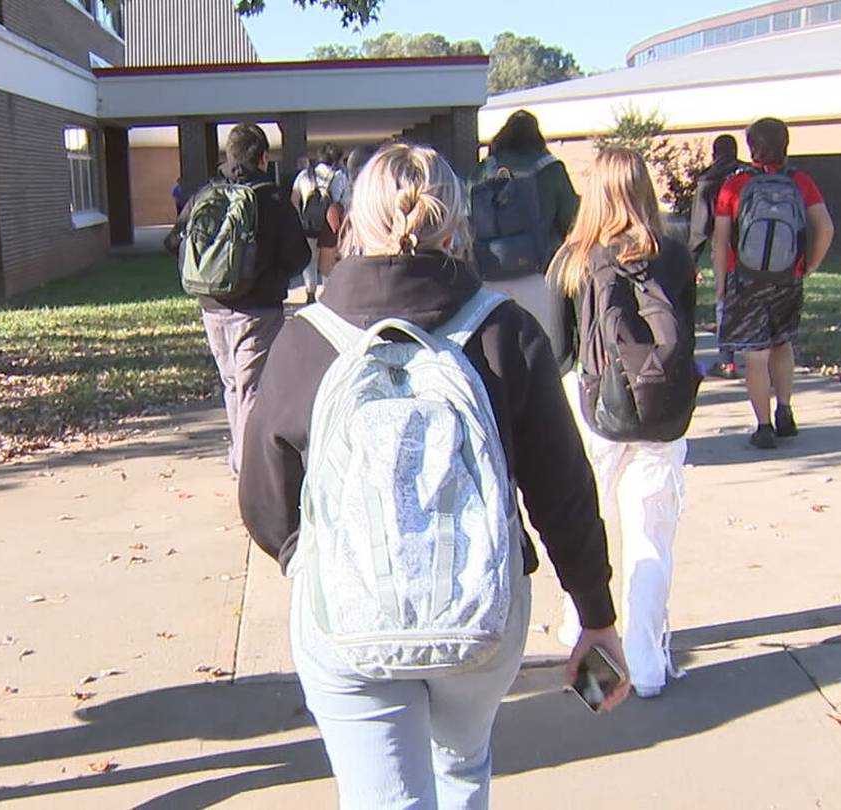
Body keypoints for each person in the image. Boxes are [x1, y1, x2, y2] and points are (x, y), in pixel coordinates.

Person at [239, 142, 629, 808]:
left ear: (351, 223)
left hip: (348, 619)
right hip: (479, 621)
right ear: (457, 222)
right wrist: (595, 616)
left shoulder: (306, 340)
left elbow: (264, 501)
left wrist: (305, 557)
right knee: (462, 768)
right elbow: (562, 491)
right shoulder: (507, 331)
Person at [550, 148, 698, 699]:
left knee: (589, 528)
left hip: (595, 409)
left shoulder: (573, 259)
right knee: (650, 534)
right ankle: (649, 667)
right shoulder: (676, 257)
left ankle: (586, 653)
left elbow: (561, 350)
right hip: (663, 414)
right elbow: (687, 334)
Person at [165, 124, 310, 476]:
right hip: (258, 310)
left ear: (228, 156)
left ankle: (240, 459)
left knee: (233, 385)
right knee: (251, 389)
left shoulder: (204, 194)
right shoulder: (272, 199)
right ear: (263, 157)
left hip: (211, 306)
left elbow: (174, 242)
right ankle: (249, 471)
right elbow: (299, 257)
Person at [713, 117, 835, 449]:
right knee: (782, 345)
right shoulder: (800, 182)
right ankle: (784, 410)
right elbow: (825, 228)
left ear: (752, 147)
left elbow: (721, 240)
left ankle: (763, 426)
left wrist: (722, 284)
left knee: (755, 355)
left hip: (747, 279)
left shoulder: (734, 185)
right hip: (788, 278)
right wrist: (808, 265)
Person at [471, 110, 579, 359]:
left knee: (497, 354)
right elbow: (570, 222)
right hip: (539, 273)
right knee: (542, 354)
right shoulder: (551, 169)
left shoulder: (482, 170)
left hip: (489, 274)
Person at [688, 134, 748, 379]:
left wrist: (691, 260)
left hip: (727, 250)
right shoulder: (751, 175)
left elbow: (700, 227)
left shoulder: (709, 180)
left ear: (714, 153)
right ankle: (768, 363)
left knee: (725, 302)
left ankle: (727, 362)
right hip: (762, 252)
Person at [291, 144, 350, 300]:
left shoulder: (304, 175)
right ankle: (327, 293)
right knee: (328, 263)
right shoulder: (340, 177)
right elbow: (345, 203)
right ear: (337, 160)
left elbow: (294, 201)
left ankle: (310, 293)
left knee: (310, 260)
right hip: (330, 228)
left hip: (308, 225)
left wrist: (300, 220)